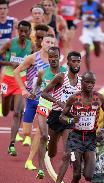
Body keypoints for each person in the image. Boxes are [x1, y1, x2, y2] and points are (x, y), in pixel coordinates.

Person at [59, 71, 104, 183]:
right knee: (76, 175)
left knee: (88, 176)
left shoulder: (99, 98)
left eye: (92, 82)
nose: (90, 85)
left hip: (91, 139)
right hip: (75, 139)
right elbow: (62, 117)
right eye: (87, 82)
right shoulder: (74, 98)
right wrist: (71, 121)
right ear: (82, 82)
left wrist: (103, 129)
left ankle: (83, 161)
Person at [41, 51, 81, 183]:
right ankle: (49, 146)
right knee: (52, 153)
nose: (77, 64)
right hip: (55, 117)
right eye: (74, 61)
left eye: (79, 61)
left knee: (66, 154)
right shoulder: (60, 77)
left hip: (68, 121)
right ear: (68, 63)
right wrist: (58, 102)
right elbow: (44, 93)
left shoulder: (81, 82)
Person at [14, 34, 56, 165]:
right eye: (47, 42)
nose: (49, 44)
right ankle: (31, 139)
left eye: (52, 43)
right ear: (42, 43)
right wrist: (23, 89)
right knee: (27, 132)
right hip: (32, 99)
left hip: (45, 100)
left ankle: (31, 159)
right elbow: (16, 71)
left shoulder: (54, 61)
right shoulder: (32, 58)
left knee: (40, 130)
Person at [25, 46, 66, 176]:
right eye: (51, 57)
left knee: (53, 138)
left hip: (58, 109)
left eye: (55, 56)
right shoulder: (43, 71)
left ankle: (50, 147)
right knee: (43, 135)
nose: (53, 59)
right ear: (48, 58)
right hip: (44, 105)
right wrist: (33, 92)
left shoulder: (65, 72)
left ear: (60, 57)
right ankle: (41, 168)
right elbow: (38, 83)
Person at [0, 20, 32, 156]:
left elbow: (34, 62)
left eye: (26, 31)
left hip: (21, 80)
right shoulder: (9, 43)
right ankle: (4, 102)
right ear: (17, 31)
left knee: (18, 112)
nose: (23, 33)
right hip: (7, 78)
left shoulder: (32, 46)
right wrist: (9, 62)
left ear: (30, 32)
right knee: (6, 111)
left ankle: (11, 144)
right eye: (21, 31)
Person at [79, 0, 104, 71]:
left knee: (97, 54)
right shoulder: (82, 6)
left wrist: (95, 19)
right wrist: (84, 17)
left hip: (96, 29)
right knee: (86, 48)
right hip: (86, 30)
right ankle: (88, 71)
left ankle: (99, 45)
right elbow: (79, 16)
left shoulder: (98, 5)